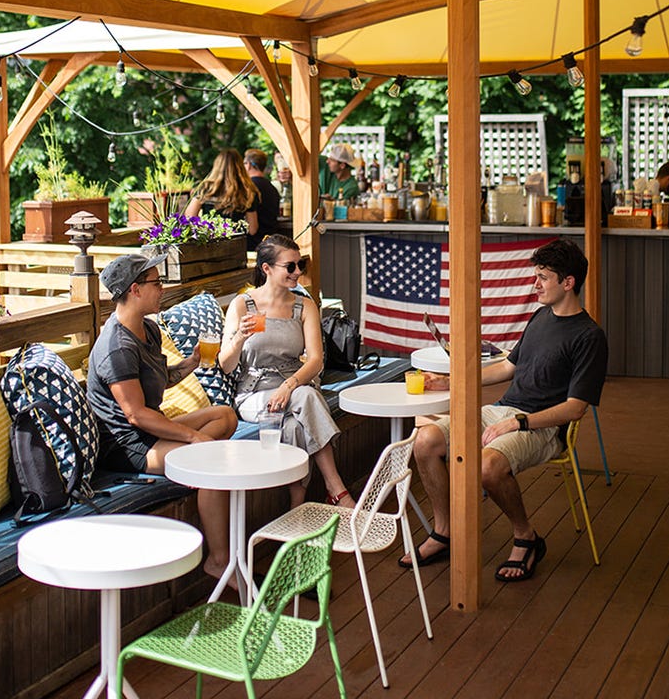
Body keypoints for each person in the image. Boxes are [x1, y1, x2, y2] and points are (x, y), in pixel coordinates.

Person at [399, 238, 607, 583]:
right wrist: (451, 381)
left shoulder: (589, 337)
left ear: (568, 282)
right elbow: (507, 369)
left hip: (542, 427)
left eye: (543, 277)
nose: (535, 284)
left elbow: (575, 408)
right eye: (535, 275)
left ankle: (526, 537)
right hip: (503, 411)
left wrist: (519, 422)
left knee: (486, 466)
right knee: (425, 440)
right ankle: (444, 532)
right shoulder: (541, 317)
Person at [86, 253, 237, 584]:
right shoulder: (116, 347)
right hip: (127, 445)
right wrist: (193, 439)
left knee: (225, 415)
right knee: (211, 459)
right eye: (157, 283)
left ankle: (190, 466)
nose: (163, 289)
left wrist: (193, 362)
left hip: (152, 424)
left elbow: (162, 378)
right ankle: (219, 561)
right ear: (136, 290)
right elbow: (135, 414)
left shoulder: (148, 330)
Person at [218, 234, 355, 507]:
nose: (298, 272)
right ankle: (337, 489)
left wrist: (288, 386)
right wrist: (240, 338)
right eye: (290, 267)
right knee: (305, 399)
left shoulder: (303, 305)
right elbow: (226, 364)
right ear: (267, 269)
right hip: (254, 393)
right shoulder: (245, 305)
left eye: (300, 264)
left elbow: (316, 361)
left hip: (295, 385)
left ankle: (297, 503)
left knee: (294, 422)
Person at [190, 148, 260, 239]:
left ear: (217, 166)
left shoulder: (205, 188)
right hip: (234, 246)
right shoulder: (247, 191)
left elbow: (189, 218)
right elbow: (253, 229)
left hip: (209, 243)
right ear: (240, 167)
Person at [243, 148, 281, 247]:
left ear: (249, 165)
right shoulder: (272, 188)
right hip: (270, 242)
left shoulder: (248, 188)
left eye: (244, 163)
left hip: (252, 244)